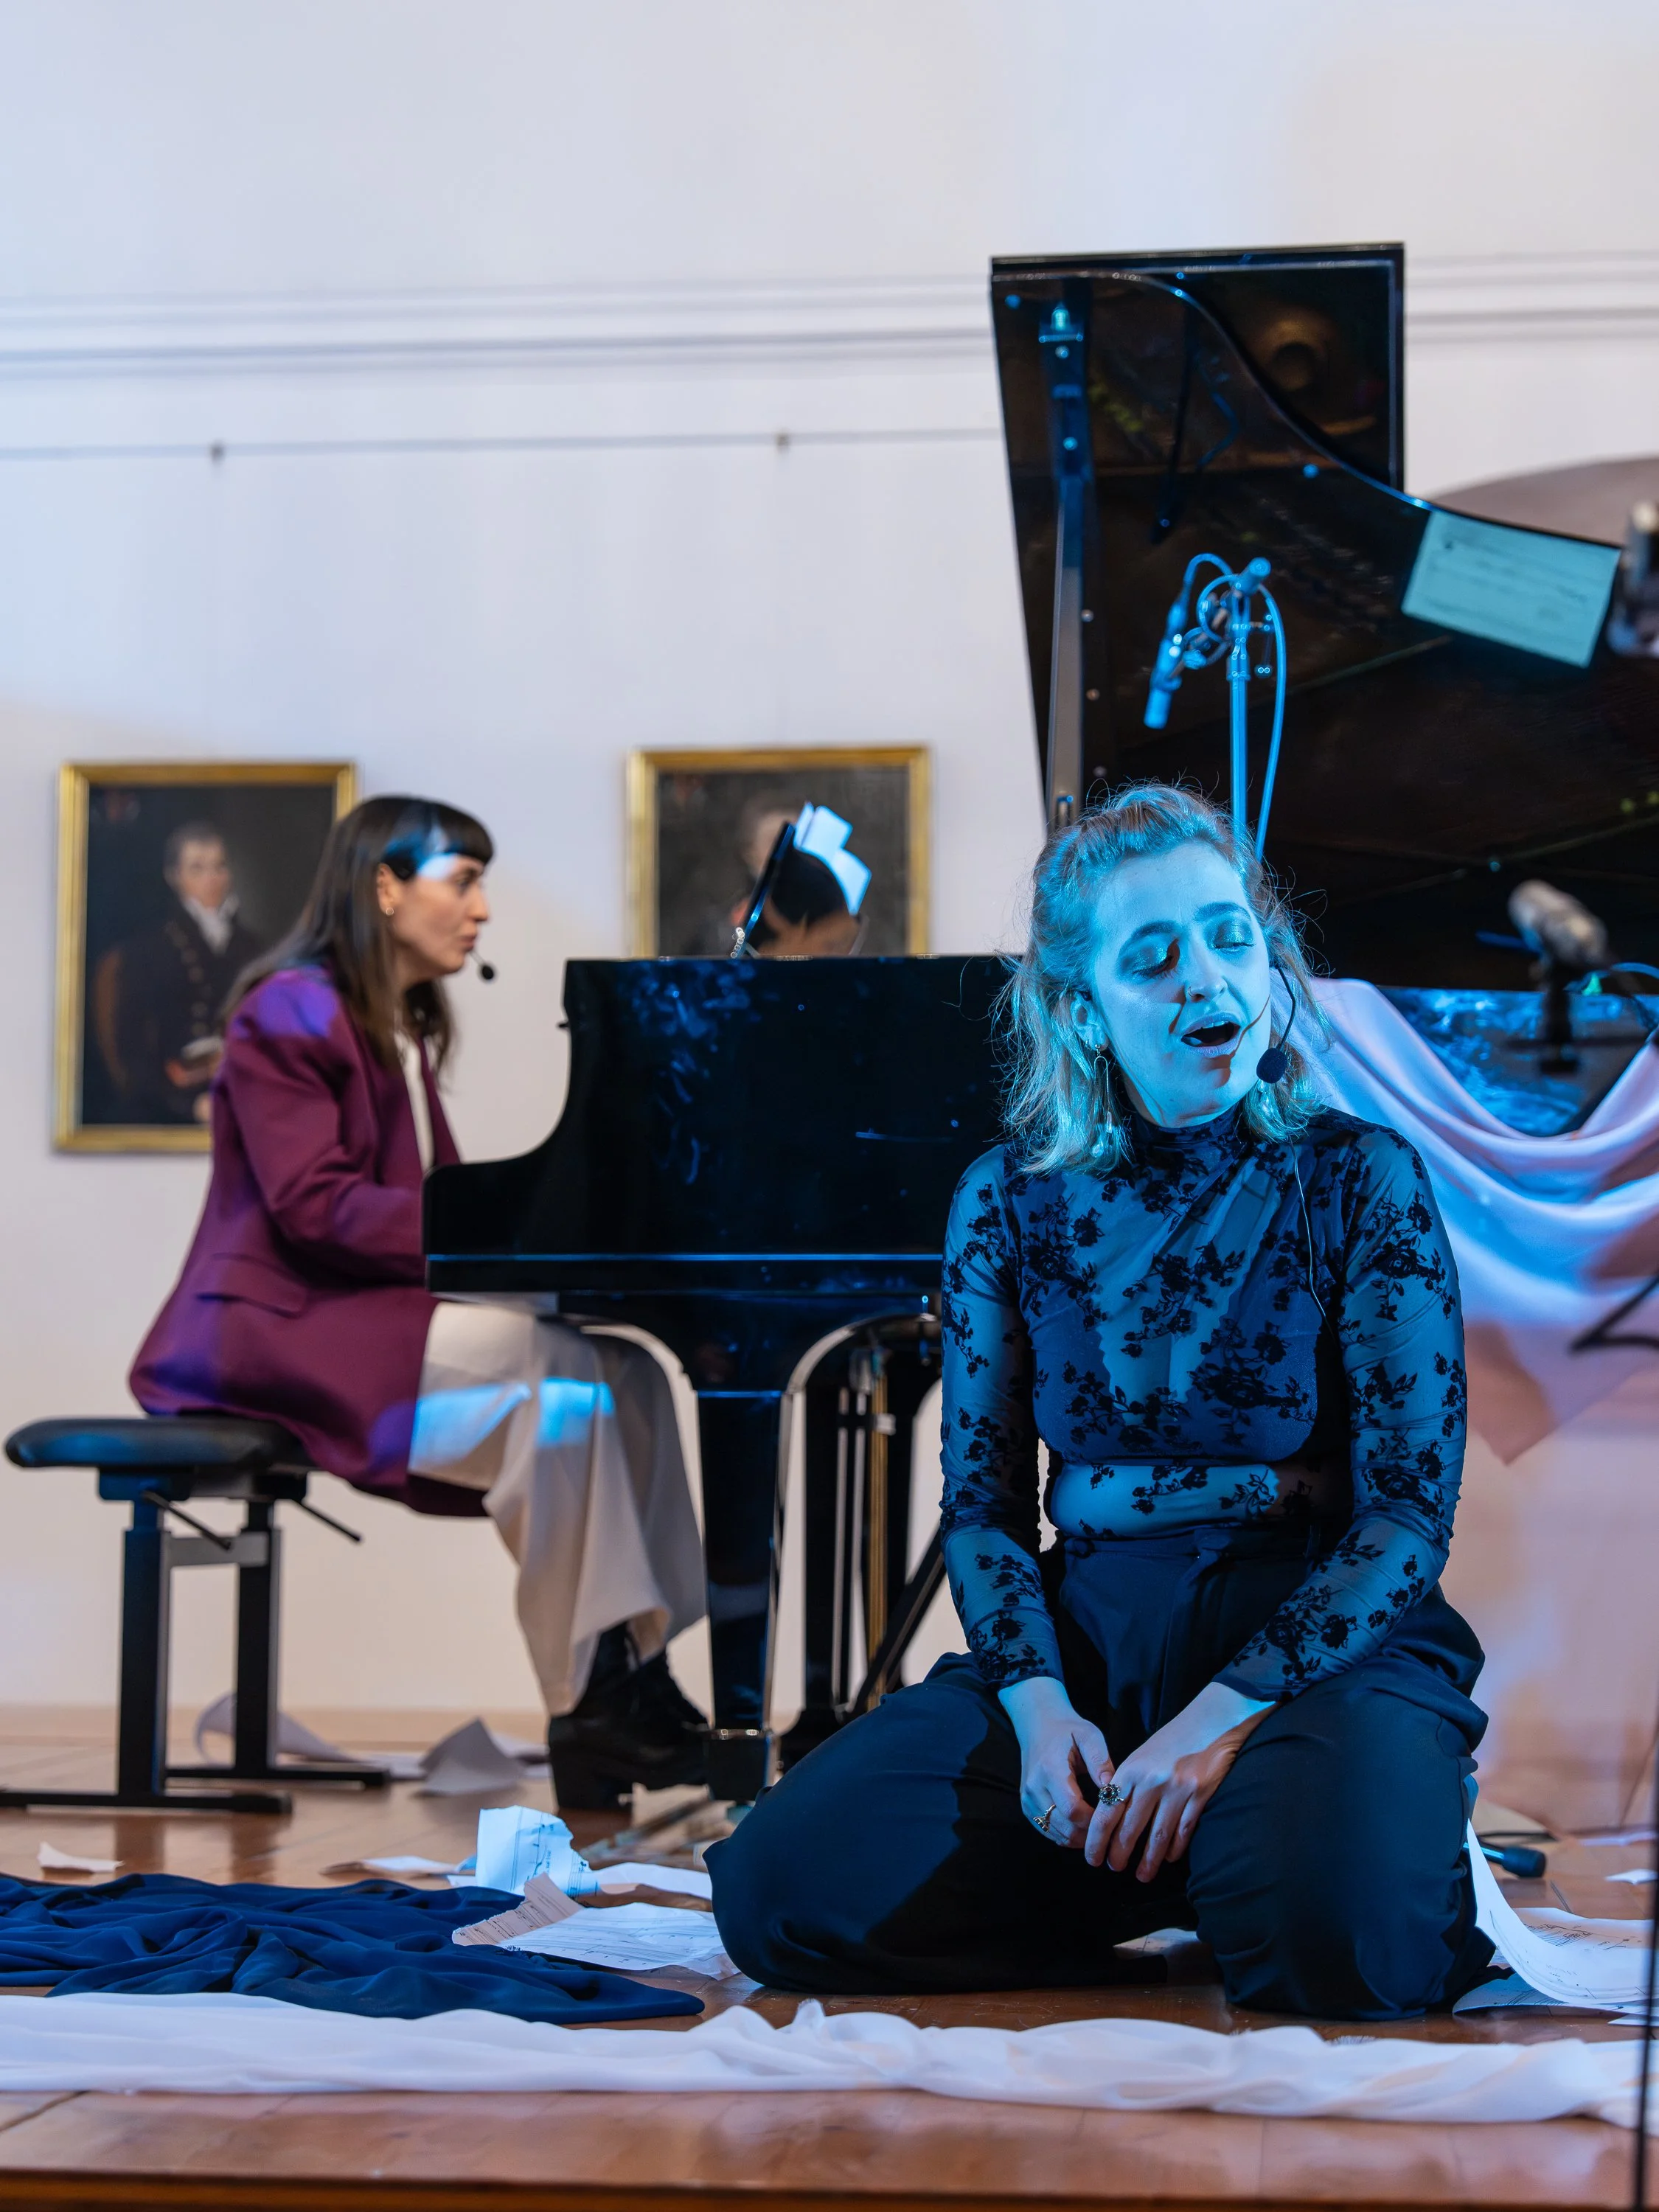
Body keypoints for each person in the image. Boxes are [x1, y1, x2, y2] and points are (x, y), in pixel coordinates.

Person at [710, 782, 1492, 2021]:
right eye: (1156, 955)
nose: (1210, 979)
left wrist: (1220, 1724)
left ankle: (1279, 1843)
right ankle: (1172, 1864)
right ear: (1081, 1009)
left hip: (1313, 1649)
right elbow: (982, 1510)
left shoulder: (1362, 1176)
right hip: (1090, 1643)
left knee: (1339, 1942)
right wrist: (1034, 1709)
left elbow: (1403, 1521)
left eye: (1233, 937)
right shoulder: (1004, 1200)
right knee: (777, 1892)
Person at [130, 795, 708, 1806]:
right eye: (463, 879)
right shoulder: (286, 1009)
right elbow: (317, 1209)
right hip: (271, 1325)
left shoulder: (394, 1025)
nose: (481, 907)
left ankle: (633, 1669)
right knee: (559, 1376)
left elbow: (419, 1203)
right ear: (385, 885)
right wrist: (506, 1243)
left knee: (627, 1368)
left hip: (348, 1307)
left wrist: (529, 1247)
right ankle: (589, 1695)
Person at [97, 822, 263, 1124]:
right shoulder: (150, 948)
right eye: (197, 869)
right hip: (169, 1100)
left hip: (241, 1091)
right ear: (174, 876)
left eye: (219, 867)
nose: (212, 879)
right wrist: (188, 1105)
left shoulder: (251, 947)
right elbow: (131, 1051)